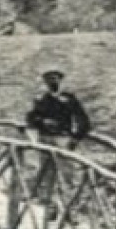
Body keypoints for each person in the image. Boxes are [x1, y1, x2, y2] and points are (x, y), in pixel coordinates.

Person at [24, 68, 92, 211]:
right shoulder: (42, 99)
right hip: (45, 139)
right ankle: (49, 206)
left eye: (55, 78)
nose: (52, 81)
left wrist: (75, 138)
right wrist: (42, 122)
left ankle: (70, 207)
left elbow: (84, 120)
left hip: (63, 139)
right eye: (49, 79)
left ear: (60, 80)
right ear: (45, 82)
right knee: (46, 172)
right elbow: (31, 118)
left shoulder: (69, 99)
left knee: (67, 173)